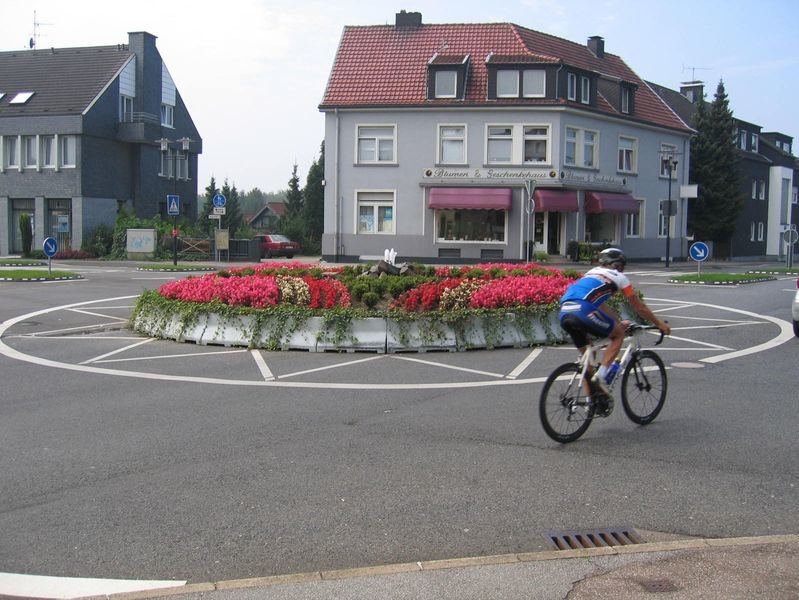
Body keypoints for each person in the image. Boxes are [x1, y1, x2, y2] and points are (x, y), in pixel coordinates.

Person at [559, 248, 671, 397]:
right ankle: (602, 377)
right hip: (584, 310)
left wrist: (617, 322)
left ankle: (590, 402)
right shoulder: (619, 277)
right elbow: (639, 307)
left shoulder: (591, 273)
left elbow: (600, 305)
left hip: (565, 311)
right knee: (618, 336)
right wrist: (658, 323)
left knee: (588, 362)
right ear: (617, 265)